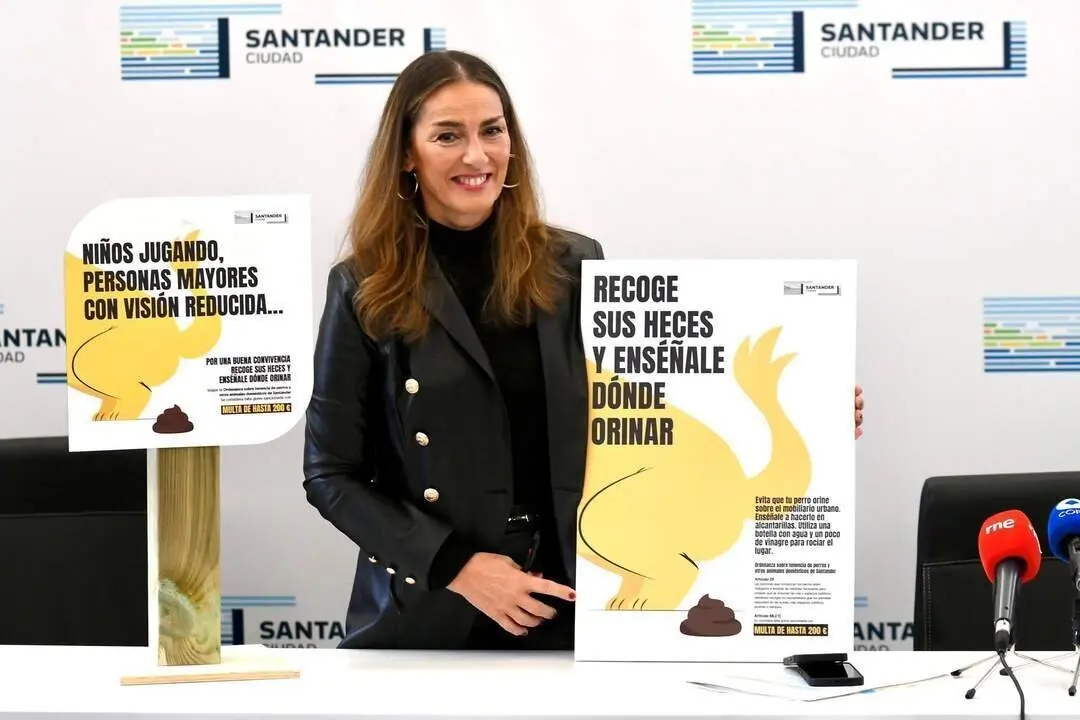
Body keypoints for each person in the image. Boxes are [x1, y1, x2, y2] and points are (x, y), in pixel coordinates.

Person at [302, 49, 867, 651]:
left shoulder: (573, 264)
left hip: (575, 605)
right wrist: (457, 566)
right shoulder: (363, 286)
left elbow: (640, 406)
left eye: (492, 130)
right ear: (406, 153)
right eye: (448, 135)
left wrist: (807, 416)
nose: (477, 155)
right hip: (430, 611)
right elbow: (330, 473)